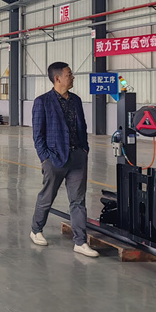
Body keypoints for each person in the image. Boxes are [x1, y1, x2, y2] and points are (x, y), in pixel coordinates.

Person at [30, 62, 98, 258]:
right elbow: (38, 135)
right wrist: (45, 159)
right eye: (69, 74)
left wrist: (84, 149)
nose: (73, 77)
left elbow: (82, 127)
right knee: (47, 197)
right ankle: (36, 230)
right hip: (54, 158)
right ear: (57, 78)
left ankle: (80, 242)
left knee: (78, 201)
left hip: (77, 158)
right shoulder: (42, 102)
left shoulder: (76, 100)